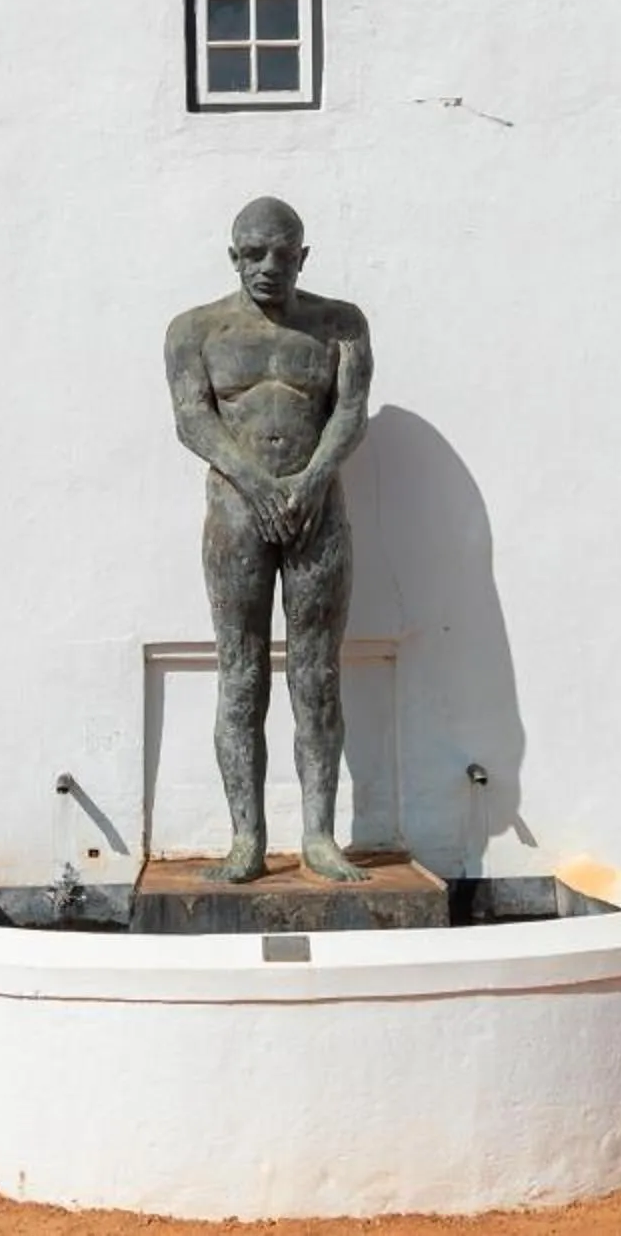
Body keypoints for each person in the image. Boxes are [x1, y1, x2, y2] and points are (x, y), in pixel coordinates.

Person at [163, 197, 374, 884]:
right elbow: (193, 419)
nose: (268, 267)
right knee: (241, 675)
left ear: (303, 256)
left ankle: (318, 835)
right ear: (233, 255)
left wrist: (312, 481)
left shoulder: (339, 324)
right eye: (253, 253)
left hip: (316, 515)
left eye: (283, 254)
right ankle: (246, 839)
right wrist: (255, 482)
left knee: (316, 679)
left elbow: (349, 412)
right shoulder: (196, 329)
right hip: (236, 513)